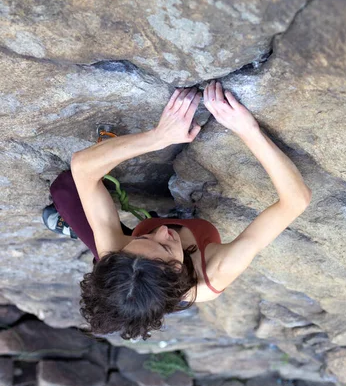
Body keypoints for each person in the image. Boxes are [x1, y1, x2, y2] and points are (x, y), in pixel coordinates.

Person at [43, 80, 311, 341]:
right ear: (179, 272)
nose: (161, 230)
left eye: (144, 238)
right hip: (164, 258)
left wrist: (159, 137)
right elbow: (296, 201)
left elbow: (82, 168)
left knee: (65, 189)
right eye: (166, 248)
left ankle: (82, 228)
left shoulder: (115, 255)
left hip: (125, 255)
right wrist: (249, 131)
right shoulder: (213, 273)